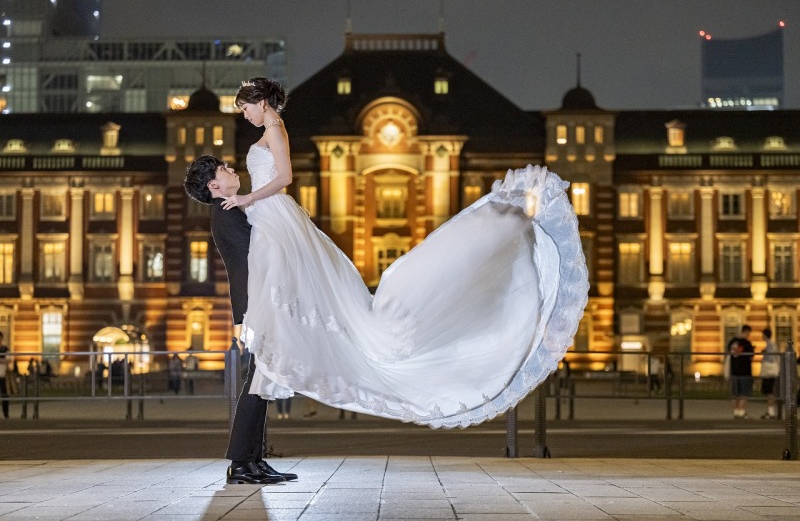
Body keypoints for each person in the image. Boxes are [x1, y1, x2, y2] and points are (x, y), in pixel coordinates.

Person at [223, 77, 588, 428]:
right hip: (268, 213)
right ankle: (277, 349)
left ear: (262, 102)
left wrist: (248, 198)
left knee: (281, 280)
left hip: (271, 210)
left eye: (246, 109)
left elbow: (285, 177)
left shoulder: (274, 129)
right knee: (278, 282)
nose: (245, 116)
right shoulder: (268, 131)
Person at [184, 156, 296, 485]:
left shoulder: (229, 211)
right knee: (257, 385)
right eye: (224, 169)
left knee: (261, 382)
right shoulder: (227, 212)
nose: (232, 170)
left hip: (254, 305)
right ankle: (241, 463)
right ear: (214, 185)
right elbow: (251, 261)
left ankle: (253, 460)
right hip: (257, 305)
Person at [727, 325, 755, 419]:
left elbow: (729, 352)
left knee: (735, 393)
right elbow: (751, 356)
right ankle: (741, 412)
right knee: (744, 393)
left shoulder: (732, 342)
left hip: (734, 371)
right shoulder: (747, 343)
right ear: (747, 332)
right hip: (745, 371)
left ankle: (735, 412)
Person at [759, 328, 780, 419]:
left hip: (769, 371)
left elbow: (771, 357)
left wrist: (765, 353)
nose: (761, 337)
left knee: (770, 392)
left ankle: (771, 412)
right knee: (770, 392)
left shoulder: (770, 344)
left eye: (762, 335)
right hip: (771, 371)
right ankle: (770, 411)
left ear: (765, 335)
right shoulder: (771, 344)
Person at [0, 332, 9, 419]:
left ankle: (6, 414)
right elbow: (5, 360)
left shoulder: (5, 348)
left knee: (5, 395)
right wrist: (3, 360)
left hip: (3, 375)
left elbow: (8, 360)